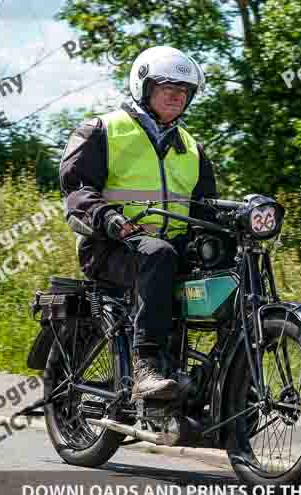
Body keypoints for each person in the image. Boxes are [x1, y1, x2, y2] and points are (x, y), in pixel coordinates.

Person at [59, 46, 217, 402]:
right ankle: (146, 366)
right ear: (144, 88)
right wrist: (112, 220)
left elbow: (205, 209)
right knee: (158, 254)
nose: (177, 95)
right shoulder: (103, 130)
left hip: (169, 250)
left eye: (184, 90)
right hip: (111, 247)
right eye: (167, 87)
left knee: (227, 267)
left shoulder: (192, 148)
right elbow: (77, 192)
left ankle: (220, 374)